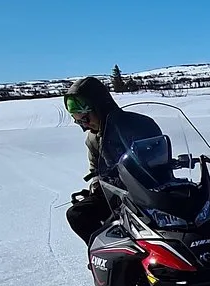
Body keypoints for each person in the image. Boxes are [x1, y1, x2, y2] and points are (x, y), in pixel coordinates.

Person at [63, 75, 162, 243]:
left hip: (150, 190)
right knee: (77, 215)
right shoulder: (93, 139)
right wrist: (96, 183)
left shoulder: (139, 125)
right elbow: (95, 169)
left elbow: (159, 155)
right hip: (115, 194)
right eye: (79, 122)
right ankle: (107, 255)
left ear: (99, 107)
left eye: (85, 118)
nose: (85, 125)